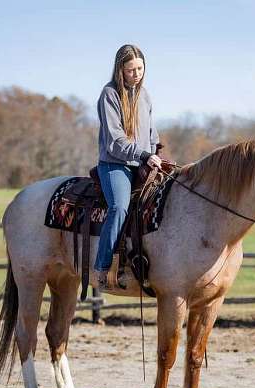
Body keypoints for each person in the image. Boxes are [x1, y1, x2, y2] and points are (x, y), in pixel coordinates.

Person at [93, 44, 162, 288]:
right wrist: (143, 154)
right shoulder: (109, 94)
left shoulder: (146, 96)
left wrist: (156, 152)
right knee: (120, 206)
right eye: (131, 70)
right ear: (119, 70)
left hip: (143, 160)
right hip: (115, 164)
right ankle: (102, 267)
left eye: (140, 69)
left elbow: (152, 132)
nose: (136, 74)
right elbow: (115, 141)